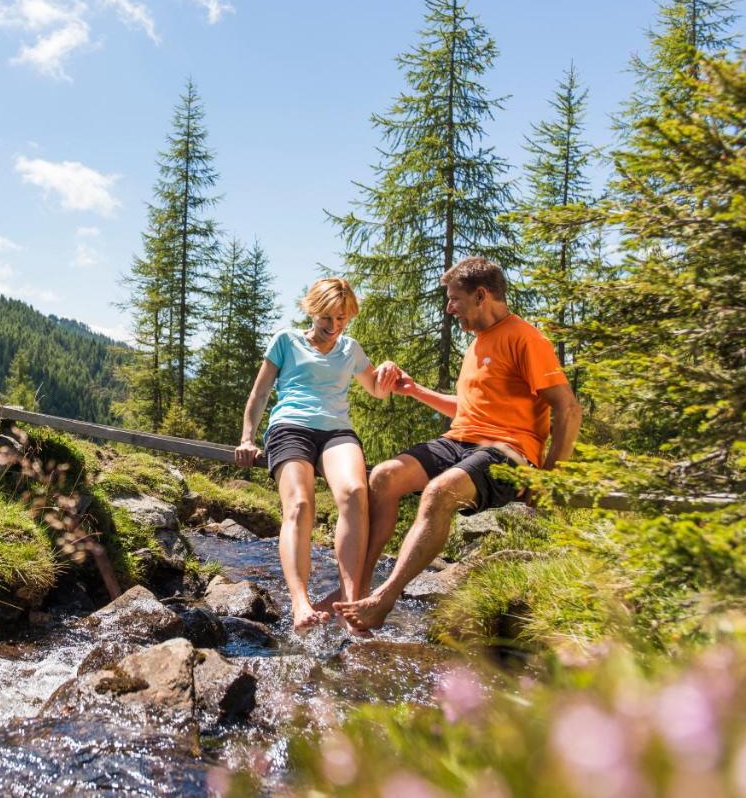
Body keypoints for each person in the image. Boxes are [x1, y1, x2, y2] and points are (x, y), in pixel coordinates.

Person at [334, 257, 583, 631]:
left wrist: (551, 478)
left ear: (481, 295)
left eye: (454, 299)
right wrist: (416, 391)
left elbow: (568, 408)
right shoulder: (478, 342)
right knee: (384, 476)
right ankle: (360, 588)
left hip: (509, 451)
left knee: (439, 492)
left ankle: (384, 599)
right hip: (461, 441)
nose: (449, 309)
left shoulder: (526, 338)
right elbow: (467, 409)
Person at [234, 278, 396, 633]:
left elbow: (377, 391)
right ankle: (300, 603)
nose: (334, 326)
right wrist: (247, 438)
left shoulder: (351, 349)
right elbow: (260, 394)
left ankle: (350, 605)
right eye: (328, 317)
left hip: (337, 431)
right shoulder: (286, 341)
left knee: (355, 494)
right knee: (300, 505)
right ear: (312, 309)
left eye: (342, 319)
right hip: (290, 426)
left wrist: (384, 371)